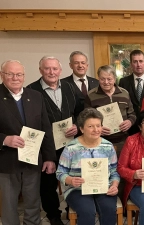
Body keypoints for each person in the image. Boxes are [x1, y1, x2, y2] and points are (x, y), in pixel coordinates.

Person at [0, 60, 56, 225]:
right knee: (9, 205)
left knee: (32, 203)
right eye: (10, 74)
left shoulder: (35, 96)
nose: (15, 78)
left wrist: (49, 158)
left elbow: (45, 128)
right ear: (2, 75)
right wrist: (4, 139)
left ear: (24, 76)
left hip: (32, 159)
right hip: (6, 161)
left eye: (19, 74)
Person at [26, 56, 79, 225]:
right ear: (40, 70)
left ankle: (73, 209)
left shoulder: (70, 88)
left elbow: (80, 111)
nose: (51, 72)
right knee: (48, 183)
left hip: (70, 145)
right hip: (46, 146)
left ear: (60, 70)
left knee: (73, 178)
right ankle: (53, 215)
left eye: (55, 69)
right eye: (47, 69)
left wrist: (78, 125)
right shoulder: (31, 91)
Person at [56, 108, 120, 225]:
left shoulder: (108, 146)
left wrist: (114, 185)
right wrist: (70, 180)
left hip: (103, 187)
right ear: (81, 129)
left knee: (109, 209)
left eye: (98, 125)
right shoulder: (71, 148)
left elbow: (114, 171)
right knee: (87, 211)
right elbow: (60, 172)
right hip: (77, 190)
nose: (96, 130)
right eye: (90, 126)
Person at [85, 65, 136, 153]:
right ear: (98, 78)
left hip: (123, 141)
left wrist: (130, 122)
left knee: (122, 166)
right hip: (100, 142)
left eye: (109, 79)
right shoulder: (91, 95)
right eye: (102, 79)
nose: (106, 82)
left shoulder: (124, 93)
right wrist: (98, 128)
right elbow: (86, 119)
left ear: (114, 79)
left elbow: (132, 114)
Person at [119, 49, 144, 117]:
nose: (138, 64)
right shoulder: (123, 82)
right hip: (130, 122)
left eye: (141, 61)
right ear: (131, 64)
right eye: (135, 61)